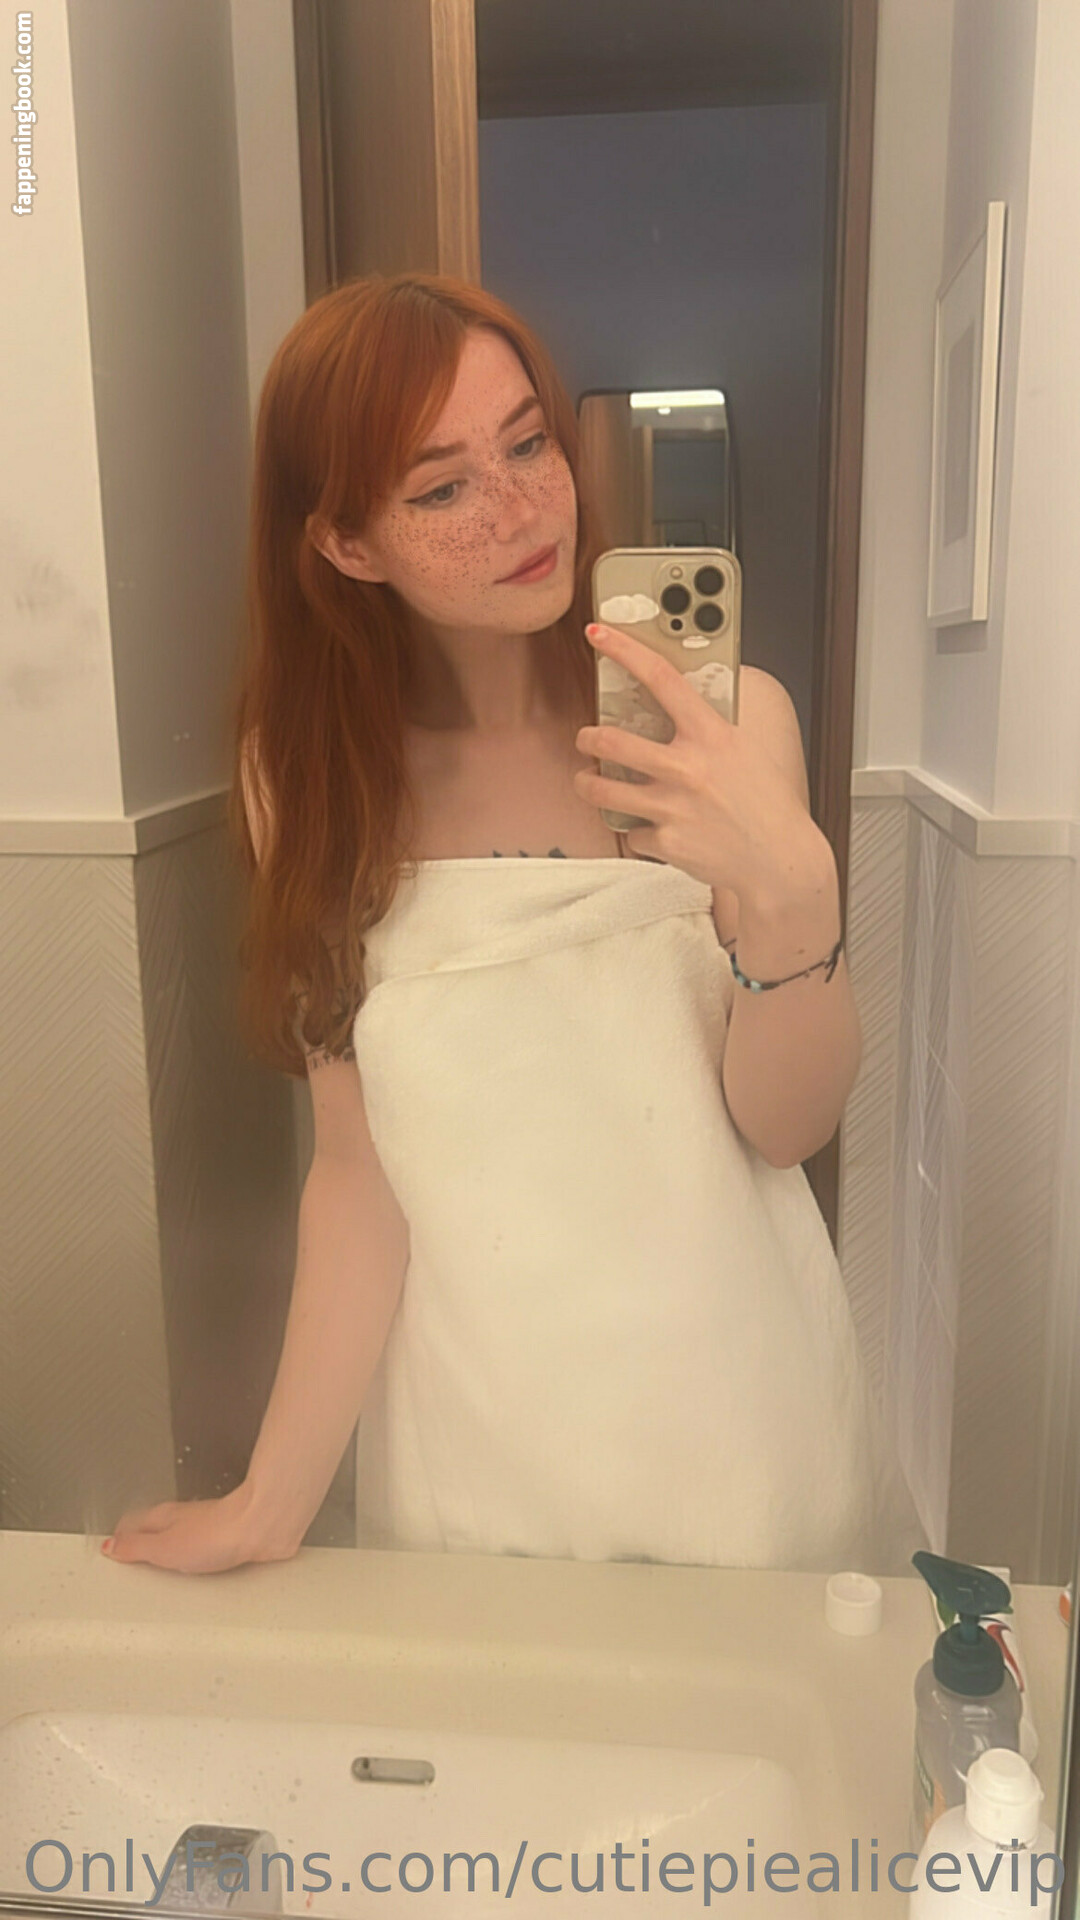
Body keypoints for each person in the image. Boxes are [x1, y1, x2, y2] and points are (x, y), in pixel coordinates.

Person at [102, 271, 918, 1576]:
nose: (522, 505)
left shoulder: (729, 727)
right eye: (442, 489)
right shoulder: (308, 780)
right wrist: (269, 1501)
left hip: (735, 1403)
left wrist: (794, 901)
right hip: (479, 1423)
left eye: (529, 443)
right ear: (347, 544)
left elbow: (785, 1129)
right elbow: (357, 1174)